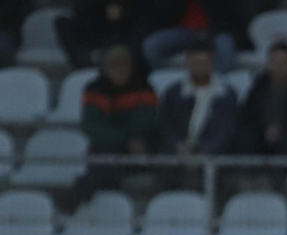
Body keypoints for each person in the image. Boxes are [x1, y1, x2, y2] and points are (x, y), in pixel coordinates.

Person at [73, 44, 160, 209]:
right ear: (106, 68)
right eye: (114, 66)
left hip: (138, 151)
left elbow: (144, 125)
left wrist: (117, 133)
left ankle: (83, 193)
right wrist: (125, 137)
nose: (119, 71)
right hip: (110, 149)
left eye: (123, 66)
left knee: (106, 158)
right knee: (104, 153)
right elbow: (91, 126)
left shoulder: (145, 89)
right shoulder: (94, 90)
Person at [157, 36, 238, 168]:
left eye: (205, 62)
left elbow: (227, 131)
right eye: (196, 62)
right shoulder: (173, 93)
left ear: (212, 61)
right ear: (188, 62)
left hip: (214, 162)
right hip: (175, 159)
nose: (200, 67)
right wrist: (178, 145)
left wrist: (204, 152)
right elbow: (166, 125)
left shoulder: (226, 95)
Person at [234, 42, 287, 163]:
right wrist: (265, 128)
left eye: (284, 62)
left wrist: (282, 129)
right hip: (260, 135)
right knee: (246, 137)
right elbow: (248, 115)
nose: (279, 66)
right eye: (275, 62)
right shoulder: (258, 89)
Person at [141, 0, 242, 72]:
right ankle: (172, 89)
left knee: (225, 48)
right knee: (152, 45)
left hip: (218, 30)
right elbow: (163, 13)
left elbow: (230, 14)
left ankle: (216, 91)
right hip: (184, 31)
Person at [56, 1, 146, 71]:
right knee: (63, 23)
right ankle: (87, 62)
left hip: (122, 28)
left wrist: (118, 5)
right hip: (91, 24)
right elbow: (80, 11)